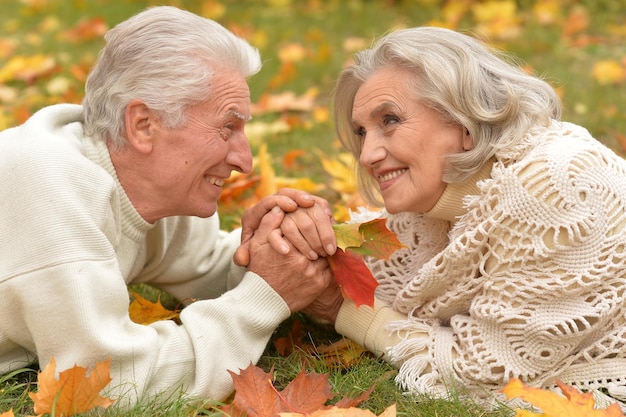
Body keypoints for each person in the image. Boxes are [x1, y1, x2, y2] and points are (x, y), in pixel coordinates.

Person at [0, 6, 338, 405]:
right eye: (227, 127)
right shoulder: (51, 186)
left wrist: (280, 243)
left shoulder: (144, 183)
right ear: (143, 125)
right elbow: (111, 387)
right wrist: (261, 299)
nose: (244, 160)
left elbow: (208, 266)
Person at [324, 26, 626, 407]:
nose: (367, 154)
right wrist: (285, 237)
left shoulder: (554, 186)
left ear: (464, 124)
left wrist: (341, 308)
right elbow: (372, 268)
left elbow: (482, 378)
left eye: (390, 120)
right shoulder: (443, 198)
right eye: (361, 131)